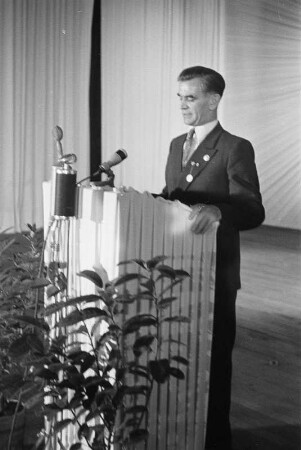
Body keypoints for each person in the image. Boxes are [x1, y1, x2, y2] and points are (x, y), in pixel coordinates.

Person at [160, 66, 265, 450]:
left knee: (214, 359)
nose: (183, 105)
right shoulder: (176, 144)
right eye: (180, 97)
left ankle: (216, 439)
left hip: (215, 273)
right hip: (176, 269)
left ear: (214, 99)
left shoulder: (235, 147)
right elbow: (171, 197)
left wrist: (221, 212)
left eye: (191, 97)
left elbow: (253, 209)